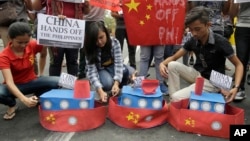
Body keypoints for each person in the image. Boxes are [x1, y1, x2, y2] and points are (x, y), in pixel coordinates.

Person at [159, 6, 243, 103]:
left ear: (208, 25)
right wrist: (162, 64)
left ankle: (176, 101)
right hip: (199, 75)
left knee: (177, 97)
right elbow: (175, 57)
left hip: (215, 82)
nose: (194, 33)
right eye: (191, 29)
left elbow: (239, 64)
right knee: (172, 65)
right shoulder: (193, 40)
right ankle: (174, 102)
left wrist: (236, 87)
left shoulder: (221, 41)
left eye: (197, 29)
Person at [0, 22, 60, 120]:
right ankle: (12, 105)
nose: (23, 45)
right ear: (10, 39)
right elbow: (9, 83)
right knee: (0, 93)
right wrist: (24, 100)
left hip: (32, 82)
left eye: (26, 42)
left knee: (58, 81)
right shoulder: (4, 56)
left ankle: (37, 97)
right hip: (15, 85)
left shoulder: (32, 44)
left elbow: (43, 54)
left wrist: (41, 74)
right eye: (19, 42)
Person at [84, 21, 134, 103]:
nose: (99, 42)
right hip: (100, 69)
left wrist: (116, 83)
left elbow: (118, 63)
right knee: (107, 83)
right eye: (95, 40)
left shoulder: (115, 43)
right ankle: (107, 87)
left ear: (106, 33)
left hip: (112, 66)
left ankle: (119, 86)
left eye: (101, 37)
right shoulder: (90, 48)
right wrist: (100, 90)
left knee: (125, 71)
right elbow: (92, 72)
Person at [38, 0, 90, 76]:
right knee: (56, 61)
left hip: (74, 32)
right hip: (55, 31)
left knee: (73, 61)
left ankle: (72, 86)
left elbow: (86, 11)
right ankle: (54, 85)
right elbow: (36, 7)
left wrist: (87, 5)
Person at [229, 2, 250, 101]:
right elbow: (232, 14)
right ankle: (239, 88)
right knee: (241, 59)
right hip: (243, 26)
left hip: (242, 27)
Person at [78, 6, 106, 79]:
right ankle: (81, 71)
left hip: (99, 20)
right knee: (84, 46)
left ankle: (100, 69)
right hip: (86, 20)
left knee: (100, 45)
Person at [111, 3, 137, 69]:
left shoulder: (131, 1)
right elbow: (112, 13)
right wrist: (124, 16)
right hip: (120, 27)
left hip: (130, 27)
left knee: (132, 48)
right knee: (118, 48)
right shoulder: (116, 2)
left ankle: (133, 66)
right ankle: (118, 66)